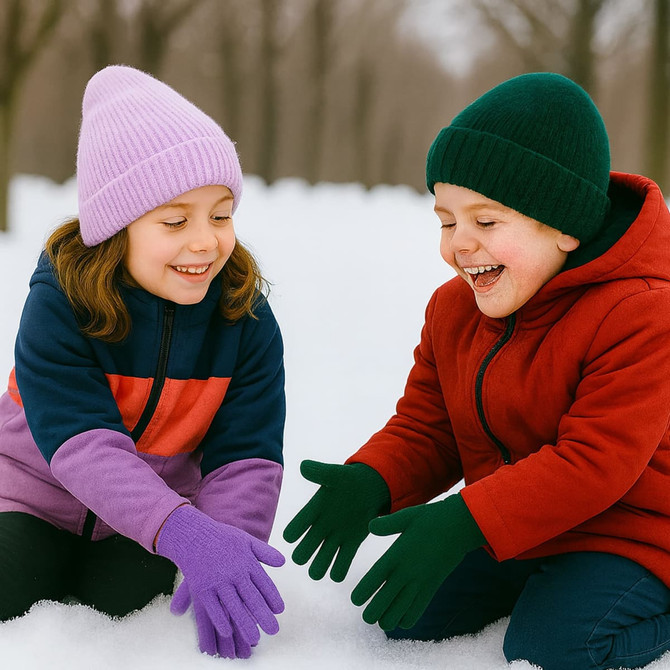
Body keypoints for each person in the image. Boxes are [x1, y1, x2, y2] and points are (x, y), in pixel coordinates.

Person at [283, 72, 670, 670]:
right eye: (446, 220)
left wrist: (467, 518)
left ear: (564, 226)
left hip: (631, 532)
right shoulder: (452, 310)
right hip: (513, 525)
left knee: (555, 649)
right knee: (410, 619)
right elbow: (428, 427)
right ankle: (533, 577)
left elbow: (596, 463)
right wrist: (373, 481)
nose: (458, 244)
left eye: (485, 222)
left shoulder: (641, 312)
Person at [0, 65, 286, 660]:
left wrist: (221, 549)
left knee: (129, 608)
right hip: (29, 501)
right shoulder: (60, 304)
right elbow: (82, 444)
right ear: (114, 230)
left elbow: (246, 457)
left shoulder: (244, 320)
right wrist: (182, 530)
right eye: (176, 221)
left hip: (145, 525)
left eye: (222, 213)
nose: (205, 241)